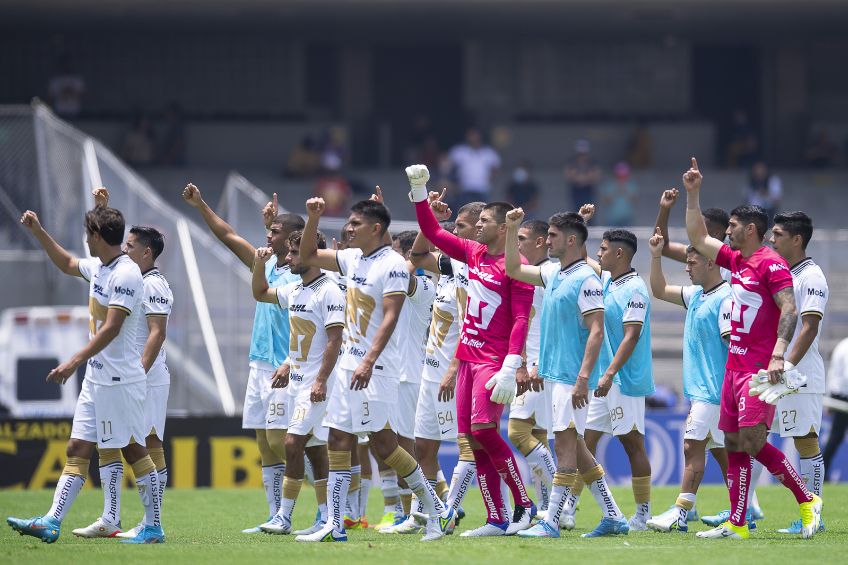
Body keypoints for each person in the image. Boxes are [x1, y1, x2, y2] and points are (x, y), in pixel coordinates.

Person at [296, 197, 455, 543]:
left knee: (385, 445)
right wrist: (312, 218)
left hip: (377, 368)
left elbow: (391, 315)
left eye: (355, 223)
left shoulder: (393, 265)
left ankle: (437, 512)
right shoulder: (353, 258)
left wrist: (368, 359)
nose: (348, 228)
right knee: (338, 437)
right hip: (347, 366)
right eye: (349, 222)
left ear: (376, 228)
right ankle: (335, 525)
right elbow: (308, 256)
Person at [683, 157, 822, 540]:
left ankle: (808, 499)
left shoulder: (771, 264)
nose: (724, 232)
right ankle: (738, 522)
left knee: (753, 441)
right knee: (731, 442)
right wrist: (693, 194)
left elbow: (790, 308)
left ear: (749, 229)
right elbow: (697, 238)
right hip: (733, 366)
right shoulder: (737, 260)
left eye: (730, 226)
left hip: (759, 368)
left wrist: (778, 352)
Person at [9, 206, 163, 544]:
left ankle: (153, 525)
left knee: (134, 449)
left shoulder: (126, 274)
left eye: (86, 232)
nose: (85, 239)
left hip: (120, 381)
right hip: (97, 379)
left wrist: (72, 361)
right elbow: (66, 263)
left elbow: (111, 328)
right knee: (77, 446)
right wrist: (38, 230)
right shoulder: (99, 266)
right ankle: (52, 521)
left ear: (95, 235)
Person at [406, 164, 536, 537]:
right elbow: (430, 232)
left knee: (485, 429)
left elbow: (521, 319)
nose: (477, 225)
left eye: (485, 222)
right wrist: (419, 190)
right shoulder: (473, 253)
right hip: (466, 358)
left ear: (502, 227)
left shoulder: (518, 266)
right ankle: (496, 517)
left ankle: (525, 505)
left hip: (493, 362)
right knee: (473, 439)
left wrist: (511, 365)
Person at [182, 185, 303, 533]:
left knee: (283, 442)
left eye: (275, 231)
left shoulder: (302, 271)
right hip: (259, 364)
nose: (268, 234)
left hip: (287, 366)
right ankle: (276, 516)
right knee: (265, 444)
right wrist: (201, 204)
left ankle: (332, 482)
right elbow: (227, 235)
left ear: (292, 237)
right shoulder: (262, 264)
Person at [505, 209, 631, 539]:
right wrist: (511, 230)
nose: (547, 240)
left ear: (571, 240)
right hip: (552, 377)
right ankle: (614, 516)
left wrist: (583, 378)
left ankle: (551, 522)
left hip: (570, 379)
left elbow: (596, 331)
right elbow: (513, 268)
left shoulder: (586, 281)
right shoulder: (553, 273)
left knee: (564, 448)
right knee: (576, 447)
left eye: (554, 236)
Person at [72, 187, 174, 541]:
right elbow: (106, 243)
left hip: (147, 375)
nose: (125, 249)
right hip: (127, 374)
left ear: (147, 252)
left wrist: (138, 375)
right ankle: (111, 516)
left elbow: (156, 334)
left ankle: (151, 522)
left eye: (131, 246)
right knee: (111, 441)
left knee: (147, 443)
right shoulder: (125, 274)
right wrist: (102, 208)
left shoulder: (154, 284)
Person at [251, 230, 345, 535]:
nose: (287, 258)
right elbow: (260, 293)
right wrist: (257, 265)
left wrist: (320, 380)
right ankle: (324, 516)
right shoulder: (295, 290)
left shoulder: (328, 290)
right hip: (296, 381)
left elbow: (334, 340)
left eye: (293, 252)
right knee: (316, 451)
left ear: (308, 253)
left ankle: (284, 517)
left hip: (315, 386)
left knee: (292, 443)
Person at [645, 226, 731, 533]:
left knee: (691, 446)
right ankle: (741, 511)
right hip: (705, 391)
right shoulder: (695, 294)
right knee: (723, 453)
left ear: (711, 263)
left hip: (715, 392)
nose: (687, 266)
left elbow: (734, 347)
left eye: (692, 261)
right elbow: (659, 290)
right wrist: (655, 257)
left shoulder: (726, 299)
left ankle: (680, 512)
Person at [408, 197, 485, 528]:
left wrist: (454, 368)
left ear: (483, 229)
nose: (455, 232)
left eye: (462, 227)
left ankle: (448, 510)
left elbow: (472, 325)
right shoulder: (452, 267)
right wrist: (432, 225)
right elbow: (417, 257)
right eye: (453, 228)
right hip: (430, 370)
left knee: (468, 443)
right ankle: (424, 511)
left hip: (457, 371)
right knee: (422, 446)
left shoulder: (483, 269)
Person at [760, 211, 828, 535]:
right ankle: (747, 508)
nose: (771, 240)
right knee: (752, 436)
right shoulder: (784, 274)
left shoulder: (811, 277)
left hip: (799, 375)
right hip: (778, 373)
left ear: (796, 239)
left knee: (805, 441)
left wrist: (785, 365)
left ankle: (813, 512)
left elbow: (809, 328)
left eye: (777, 234)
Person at [582, 228, 654, 532]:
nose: (599, 253)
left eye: (604, 248)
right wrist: (581, 226)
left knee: (631, 443)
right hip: (604, 380)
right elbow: (582, 260)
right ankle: (568, 509)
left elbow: (632, 335)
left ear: (620, 253)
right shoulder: (609, 281)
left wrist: (611, 373)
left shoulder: (636, 289)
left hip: (625, 380)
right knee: (582, 441)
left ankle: (642, 514)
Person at [379, 230, 438, 534]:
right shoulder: (394, 287)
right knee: (396, 447)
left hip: (410, 375)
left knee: (407, 448)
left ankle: (425, 512)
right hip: (394, 373)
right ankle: (424, 510)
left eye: (394, 252)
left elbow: (406, 269)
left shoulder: (424, 286)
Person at [507, 219, 555, 516]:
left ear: (539, 242)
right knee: (537, 437)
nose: (517, 244)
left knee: (517, 433)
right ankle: (553, 508)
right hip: (535, 363)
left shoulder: (548, 273)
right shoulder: (531, 273)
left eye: (521, 238)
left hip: (536, 365)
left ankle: (559, 503)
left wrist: (530, 363)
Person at [448, 127, 501, 208]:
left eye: (474, 135)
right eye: (470, 135)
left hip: (483, 188)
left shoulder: (488, 152)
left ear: (479, 136)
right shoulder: (460, 151)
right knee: (465, 213)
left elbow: (496, 168)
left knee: (483, 214)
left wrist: (490, 179)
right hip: (465, 189)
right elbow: (448, 165)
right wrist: (454, 182)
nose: (472, 137)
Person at [823, 337, 848, 480]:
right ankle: (823, 472)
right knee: (835, 438)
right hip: (843, 395)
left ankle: (823, 472)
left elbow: (832, 373)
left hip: (837, 394)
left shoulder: (842, 343)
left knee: (835, 437)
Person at [564, 139, 601, 213]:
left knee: (589, 212)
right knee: (576, 212)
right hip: (576, 190)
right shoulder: (572, 162)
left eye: (584, 153)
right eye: (580, 153)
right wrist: (585, 177)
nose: (582, 156)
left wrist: (580, 177)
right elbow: (567, 175)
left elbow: (597, 176)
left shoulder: (592, 162)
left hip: (588, 190)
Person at [600, 162, 638, 227]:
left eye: (624, 176)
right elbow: (606, 201)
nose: (621, 178)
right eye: (619, 176)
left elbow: (635, 201)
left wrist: (626, 191)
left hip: (627, 217)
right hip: (612, 218)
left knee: (627, 236)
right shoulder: (609, 184)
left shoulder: (632, 185)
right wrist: (615, 191)